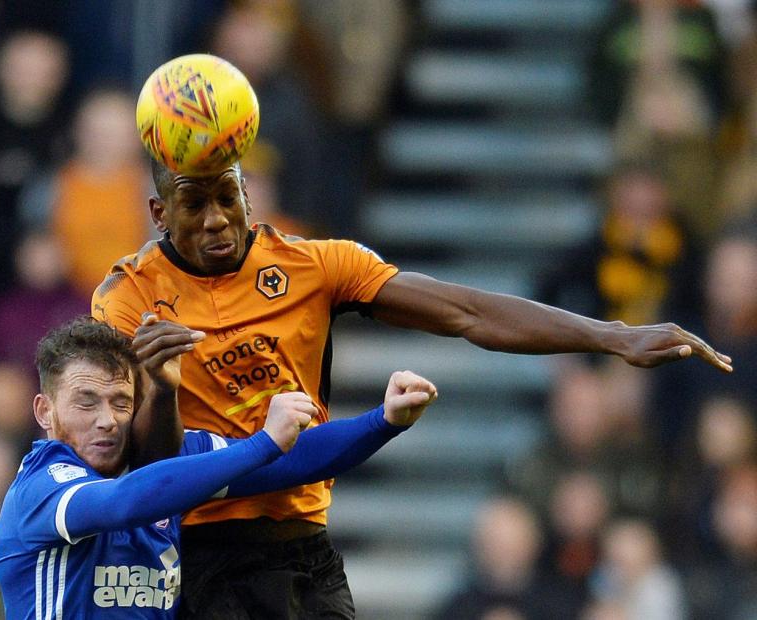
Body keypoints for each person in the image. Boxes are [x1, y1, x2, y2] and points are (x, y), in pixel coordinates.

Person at [90, 158, 732, 618]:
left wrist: (613, 335)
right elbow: (149, 475)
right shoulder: (127, 300)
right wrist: (159, 386)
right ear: (158, 211)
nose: (215, 220)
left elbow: (468, 311)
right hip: (194, 558)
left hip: (301, 551)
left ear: (249, 195)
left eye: (227, 196)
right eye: (193, 203)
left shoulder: (315, 267)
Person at [0, 315, 437, 618]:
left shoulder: (169, 468)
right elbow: (123, 503)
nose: (106, 419)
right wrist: (261, 443)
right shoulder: (42, 487)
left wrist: (383, 421)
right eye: (85, 402)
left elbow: (293, 461)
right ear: (44, 411)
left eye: (120, 402)